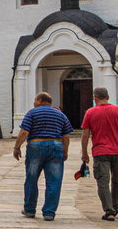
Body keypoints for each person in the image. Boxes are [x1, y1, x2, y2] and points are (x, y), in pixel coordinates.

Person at [78, 86, 118, 221]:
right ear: (108, 97)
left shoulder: (90, 112)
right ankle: (115, 207)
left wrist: (85, 152)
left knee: (103, 182)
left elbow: (85, 135)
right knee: (117, 181)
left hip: (100, 152)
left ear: (95, 98)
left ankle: (108, 210)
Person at [13, 91, 73, 220]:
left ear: (40, 100)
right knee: (54, 181)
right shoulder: (60, 115)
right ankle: (49, 212)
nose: (34, 103)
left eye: (35, 100)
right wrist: (65, 151)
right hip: (56, 145)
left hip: (36, 144)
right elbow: (66, 136)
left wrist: (17, 147)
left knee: (31, 178)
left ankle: (29, 209)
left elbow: (24, 132)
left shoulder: (32, 113)